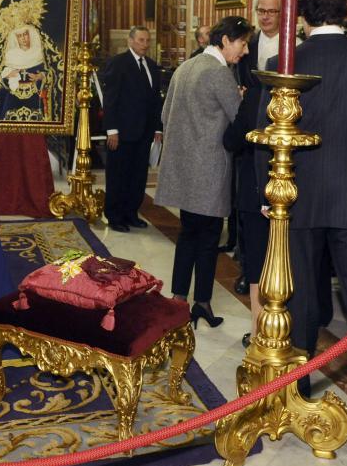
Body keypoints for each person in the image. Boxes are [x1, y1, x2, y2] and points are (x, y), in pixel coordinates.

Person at [258, 0, 347, 430]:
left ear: (301, 16)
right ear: (346, 11)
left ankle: (293, 393)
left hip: (295, 196)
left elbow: (267, 138)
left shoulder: (285, 61)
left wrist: (267, 194)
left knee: (298, 302)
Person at [155, 16, 251, 329]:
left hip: (184, 168)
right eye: (242, 42)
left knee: (187, 235)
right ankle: (203, 304)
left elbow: (165, 114)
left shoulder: (186, 67)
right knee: (209, 239)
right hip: (209, 170)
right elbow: (239, 119)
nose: (245, 50)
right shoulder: (219, 72)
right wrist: (244, 99)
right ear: (225, 41)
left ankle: (178, 299)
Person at [226, 0, 281, 339]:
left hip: (273, 159)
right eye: (260, 10)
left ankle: (265, 326)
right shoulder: (250, 50)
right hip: (251, 153)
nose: (265, 17)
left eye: (271, 11)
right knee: (254, 237)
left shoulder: (296, 51)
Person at [101, 26, 163, 233]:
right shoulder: (118, 64)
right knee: (118, 175)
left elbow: (155, 102)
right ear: (130, 41)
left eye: (147, 41)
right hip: (122, 132)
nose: (145, 44)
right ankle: (115, 215)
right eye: (141, 40)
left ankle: (131, 213)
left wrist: (158, 129)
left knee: (137, 176)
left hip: (144, 132)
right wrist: (112, 130)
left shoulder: (152, 66)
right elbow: (110, 100)